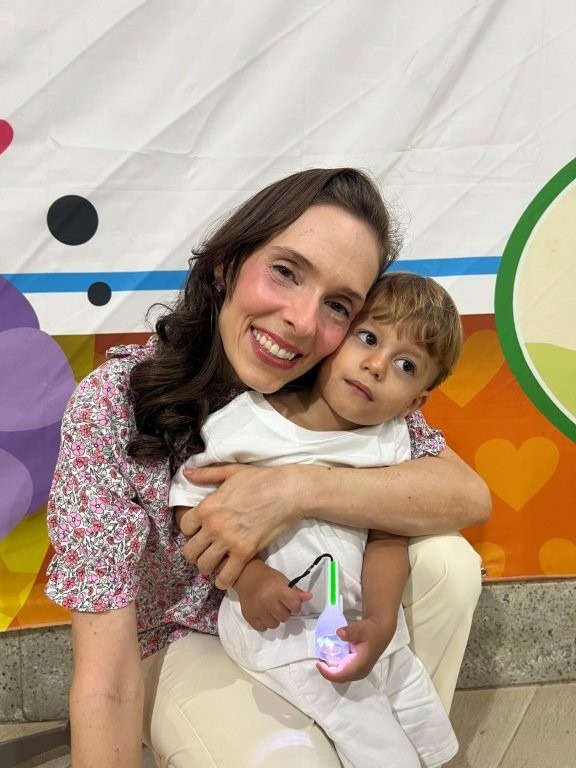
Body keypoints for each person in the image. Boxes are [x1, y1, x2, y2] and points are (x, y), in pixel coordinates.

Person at [45, 168, 489, 768]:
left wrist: (294, 489)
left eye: (338, 305)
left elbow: (465, 494)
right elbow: (106, 680)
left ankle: (385, 740)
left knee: (446, 564)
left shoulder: (343, 388)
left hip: (318, 614)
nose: (302, 321)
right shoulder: (114, 405)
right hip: (182, 636)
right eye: (286, 271)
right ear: (227, 263)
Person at [168, 272, 462, 768]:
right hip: (281, 632)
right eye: (368, 338)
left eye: (406, 365)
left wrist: (382, 621)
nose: (375, 366)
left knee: (429, 728)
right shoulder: (247, 424)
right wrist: (248, 578)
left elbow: (388, 535)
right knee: (376, 742)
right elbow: (192, 506)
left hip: (361, 624)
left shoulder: (390, 441)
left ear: (415, 402)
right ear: (334, 339)